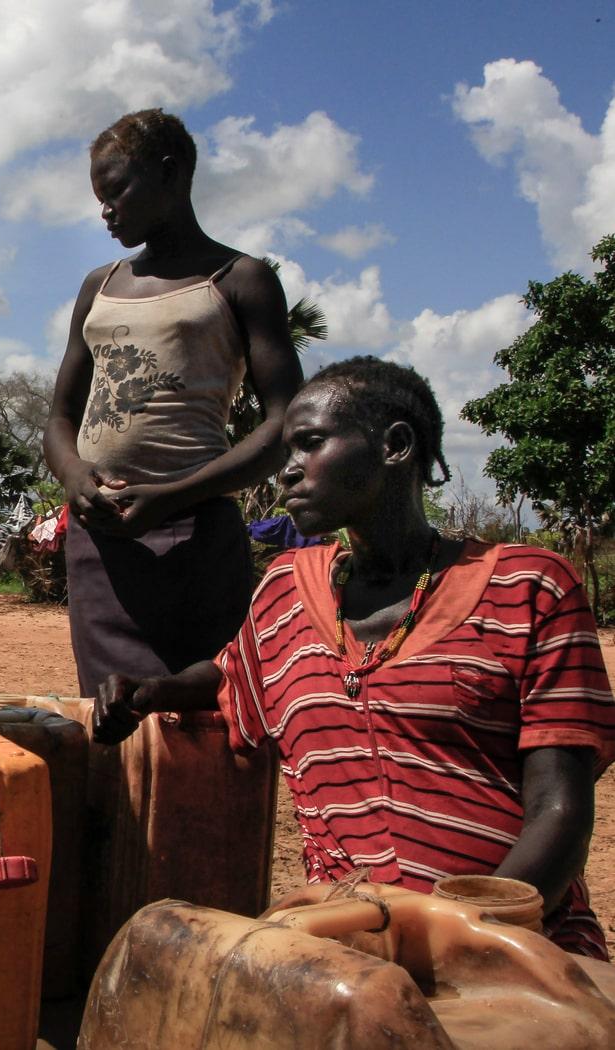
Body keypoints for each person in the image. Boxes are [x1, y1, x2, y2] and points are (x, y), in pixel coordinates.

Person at [93, 357, 615, 958]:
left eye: (310, 444)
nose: (287, 472)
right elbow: (234, 672)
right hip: (344, 941)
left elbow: (561, 808)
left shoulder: (529, 589)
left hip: (516, 943)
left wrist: (460, 933)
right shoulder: (287, 591)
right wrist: (155, 690)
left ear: (395, 445)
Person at [43, 109, 303, 690]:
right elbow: (60, 417)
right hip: (102, 541)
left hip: (193, 537)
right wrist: (75, 478)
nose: (106, 212)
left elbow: (286, 421)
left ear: (170, 173)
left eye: (117, 192)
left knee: (203, 719)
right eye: (99, 199)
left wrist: (171, 497)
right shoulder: (100, 286)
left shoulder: (239, 279)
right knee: (109, 713)